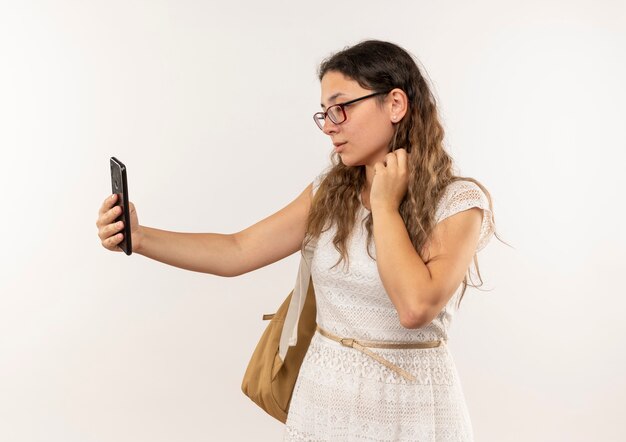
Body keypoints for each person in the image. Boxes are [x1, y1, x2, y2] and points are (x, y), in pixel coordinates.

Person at [96, 39, 502, 441]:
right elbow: (238, 250)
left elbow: (415, 307)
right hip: (324, 401)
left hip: (412, 410)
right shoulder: (330, 191)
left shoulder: (459, 203)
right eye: (324, 113)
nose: (329, 125)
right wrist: (139, 237)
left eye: (342, 108)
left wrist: (384, 204)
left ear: (395, 104)